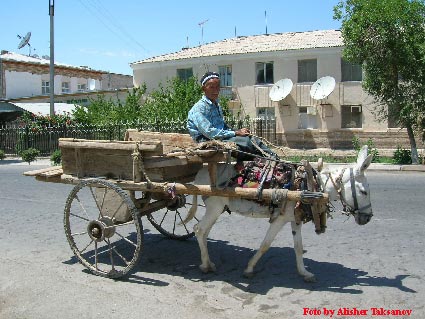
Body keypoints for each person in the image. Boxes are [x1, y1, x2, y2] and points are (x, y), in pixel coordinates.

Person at [187, 71, 278, 161]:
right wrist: (236, 133)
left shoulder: (216, 105)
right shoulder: (199, 108)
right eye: (211, 87)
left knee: (252, 139)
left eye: (217, 87)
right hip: (206, 140)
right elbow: (210, 133)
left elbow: (222, 126)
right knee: (246, 142)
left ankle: (273, 159)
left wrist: (237, 131)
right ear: (204, 89)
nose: (215, 90)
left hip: (219, 137)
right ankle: (267, 161)